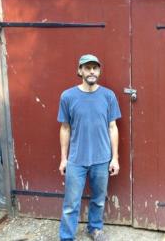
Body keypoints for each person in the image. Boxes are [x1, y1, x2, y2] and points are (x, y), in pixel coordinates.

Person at [57, 54, 121, 241]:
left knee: (99, 200)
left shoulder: (109, 96)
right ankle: (67, 236)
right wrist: (63, 158)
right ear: (80, 71)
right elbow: (65, 128)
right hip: (76, 159)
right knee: (71, 204)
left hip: (102, 158)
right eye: (87, 67)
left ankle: (95, 228)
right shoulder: (68, 96)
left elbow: (113, 127)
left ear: (99, 71)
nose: (92, 71)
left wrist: (115, 157)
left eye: (95, 67)